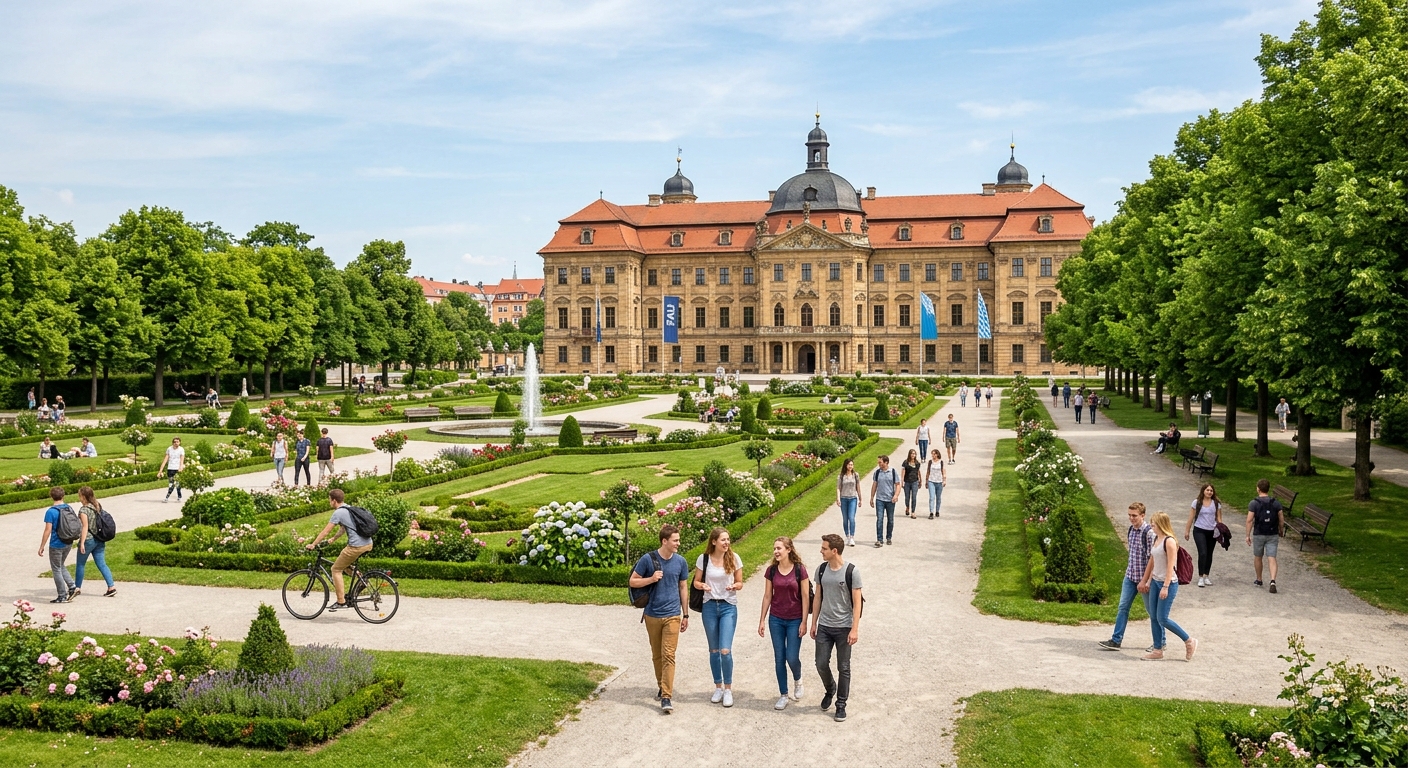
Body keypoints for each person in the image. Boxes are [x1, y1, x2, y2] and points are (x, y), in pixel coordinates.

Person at [628, 524, 690, 713]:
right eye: (675, 540)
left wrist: (685, 614)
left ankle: (666, 696)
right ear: (665, 541)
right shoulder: (648, 559)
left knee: (669, 655)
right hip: (652, 614)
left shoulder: (681, 562)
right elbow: (632, 581)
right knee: (657, 655)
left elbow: (683, 587)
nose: (678, 543)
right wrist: (651, 579)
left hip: (673, 615)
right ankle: (661, 685)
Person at [811, 533, 862, 722]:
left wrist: (854, 628)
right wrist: (813, 623)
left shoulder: (852, 571)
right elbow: (817, 597)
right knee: (821, 663)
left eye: (824, 548)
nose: (821, 551)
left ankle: (841, 704)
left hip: (844, 627)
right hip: (824, 625)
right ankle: (830, 689)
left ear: (834, 551)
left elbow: (857, 603)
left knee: (844, 667)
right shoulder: (821, 570)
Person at [694, 528, 743, 707]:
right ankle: (718, 686)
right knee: (714, 650)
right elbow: (696, 582)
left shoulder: (734, 558)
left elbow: (740, 582)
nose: (726, 543)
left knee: (725, 650)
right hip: (709, 606)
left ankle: (728, 688)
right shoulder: (703, 559)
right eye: (723, 540)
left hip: (728, 606)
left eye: (728, 539)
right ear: (714, 542)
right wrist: (703, 586)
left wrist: (734, 586)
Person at [759, 536, 811, 710]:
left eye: (779, 548)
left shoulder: (799, 570)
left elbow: (805, 597)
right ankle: (783, 694)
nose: (776, 551)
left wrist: (804, 621)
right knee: (779, 658)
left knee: (792, 656)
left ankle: (798, 679)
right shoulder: (771, 571)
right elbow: (767, 596)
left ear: (789, 549)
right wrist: (762, 620)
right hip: (776, 619)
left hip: (795, 619)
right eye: (774, 548)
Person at [1140, 511, 1197, 661]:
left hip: (1168, 583)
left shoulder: (1169, 541)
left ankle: (1189, 640)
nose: (1151, 525)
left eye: (1154, 522)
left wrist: (1165, 587)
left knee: (1162, 618)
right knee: (1153, 616)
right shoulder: (1156, 539)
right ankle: (1157, 649)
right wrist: (1146, 580)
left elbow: (1171, 566)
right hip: (1155, 581)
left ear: (1161, 523)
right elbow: (1152, 562)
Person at [305, 489, 373, 612]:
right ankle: (362, 580)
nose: (329, 502)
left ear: (334, 500)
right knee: (344, 564)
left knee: (335, 569)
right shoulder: (348, 508)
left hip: (356, 546)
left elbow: (326, 530)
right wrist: (333, 539)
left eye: (329, 500)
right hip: (367, 543)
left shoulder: (338, 513)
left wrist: (313, 544)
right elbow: (343, 528)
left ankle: (341, 601)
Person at [1099, 503, 1155, 651]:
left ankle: (1160, 642)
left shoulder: (1149, 533)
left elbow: (1153, 559)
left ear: (1143, 515)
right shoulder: (1131, 530)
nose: (1131, 518)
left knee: (1153, 611)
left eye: (1134, 515)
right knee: (1123, 607)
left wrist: (1147, 581)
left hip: (1144, 579)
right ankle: (1116, 640)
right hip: (1130, 576)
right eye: (1129, 515)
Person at [74, 486, 116, 598]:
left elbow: (85, 527)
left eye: (80, 496)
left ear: (83, 496)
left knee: (80, 564)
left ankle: (76, 588)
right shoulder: (97, 505)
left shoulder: (83, 510)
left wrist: (81, 543)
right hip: (99, 538)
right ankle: (111, 587)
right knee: (102, 563)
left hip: (88, 539)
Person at [38, 487, 78, 603]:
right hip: (68, 541)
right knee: (60, 565)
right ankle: (72, 587)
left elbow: (47, 530)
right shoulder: (68, 508)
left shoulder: (51, 511)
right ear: (63, 496)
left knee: (56, 569)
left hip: (57, 543)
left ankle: (62, 595)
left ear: (51, 496)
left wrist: (42, 546)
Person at [1247, 478, 1284, 594]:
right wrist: (1281, 530)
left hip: (1259, 533)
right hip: (1272, 534)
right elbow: (1281, 519)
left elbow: (1249, 520)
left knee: (1258, 556)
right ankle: (1273, 580)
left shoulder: (1254, 503)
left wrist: (1247, 535)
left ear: (1258, 489)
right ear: (1268, 489)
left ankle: (1259, 579)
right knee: (1271, 557)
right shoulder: (1276, 503)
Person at [1185, 483, 1223, 587]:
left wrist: (1221, 530)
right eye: (1207, 490)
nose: (1209, 492)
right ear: (1203, 491)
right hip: (1199, 530)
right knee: (1203, 553)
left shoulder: (1216, 504)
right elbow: (1191, 517)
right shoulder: (1196, 502)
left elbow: (1219, 518)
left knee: (1209, 553)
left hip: (1212, 531)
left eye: (1211, 490)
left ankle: (1206, 575)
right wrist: (1187, 530)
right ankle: (1201, 577)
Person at [868, 454, 899, 547]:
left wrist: (896, 495)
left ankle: (889, 537)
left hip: (890, 500)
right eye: (878, 462)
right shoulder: (877, 473)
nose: (879, 464)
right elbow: (874, 485)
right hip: (880, 499)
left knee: (890, 520)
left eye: (880, 462)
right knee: (879, 519)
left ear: (886, 462)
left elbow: (898, 484)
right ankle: (879, 539)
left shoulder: (893, 472)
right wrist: (871, 497)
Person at [835, 458, 860, 547]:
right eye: (849, 464)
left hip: (853, 498)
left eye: (852, 465)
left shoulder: (855, 475)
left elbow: (858, 487)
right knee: (845, 519)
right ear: (846, 465)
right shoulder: (841, 476)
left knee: (851, 518)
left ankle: (852, 537)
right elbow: (838, 488)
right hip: (844, 498)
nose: (850, 466)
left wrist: (860, 498)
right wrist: (838, 498)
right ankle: (847, 535)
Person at [158, 437, 186, 503]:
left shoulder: (181, 449)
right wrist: (160, 470)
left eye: (177, 442)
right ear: (172, 443)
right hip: (170, 468)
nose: (176, 443)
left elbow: (182, 459)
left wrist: (181, 467)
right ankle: (173, 497)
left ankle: (175, 497)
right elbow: (165, 460)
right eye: (175, 442)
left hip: (177, 469)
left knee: (177, 484)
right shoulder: (169, 449)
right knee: (171, 483)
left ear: (179, 442)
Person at [925, 448, 947, 519]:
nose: (933, 455)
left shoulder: (941, 462)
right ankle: (931, 512)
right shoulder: (930, 462)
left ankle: (937, 510)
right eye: (932, 454)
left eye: (934, 454)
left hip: (939, 481)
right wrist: (926, 481)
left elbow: (944, 472)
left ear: (937, 454)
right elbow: (928, 471)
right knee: (932, 497)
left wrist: (944, 480)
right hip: (931, 481)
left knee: (938, 497)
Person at [899, 449, 922, 519]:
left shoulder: (917, 463)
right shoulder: (905, 463)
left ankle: (913, 512)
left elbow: (918, 471)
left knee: (914, 497)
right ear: (909, 454)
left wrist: (920, 480)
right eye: (912, 453)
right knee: (907, 497)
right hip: (907, 482)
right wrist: (902, 481)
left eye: (914, 454)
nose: (913, 455)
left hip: (915, 481)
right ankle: (907, 507)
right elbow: (903, 472)